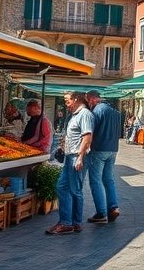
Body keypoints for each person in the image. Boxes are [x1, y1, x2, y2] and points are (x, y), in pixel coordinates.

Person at [46, 91, 93, 235]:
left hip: (76, 157)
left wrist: (80, 157)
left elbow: (87, 137)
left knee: (75, 190)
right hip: (70, 156)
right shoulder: (75, 115)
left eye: (67, 101)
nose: (66, 104)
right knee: (62, 187)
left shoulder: (85, 114)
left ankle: (73, 223)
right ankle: (68, 222)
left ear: (76, 99)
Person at [84, 90, 122, 224]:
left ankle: (101, 213)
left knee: (96, 181)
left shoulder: (97, 111)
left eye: (88, 100)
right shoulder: (115, 112)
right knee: (109, 179)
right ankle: (113, 207)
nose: (88, 103)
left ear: (93, 99)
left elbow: (90, 131)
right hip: (113, 149)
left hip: (99, 149)